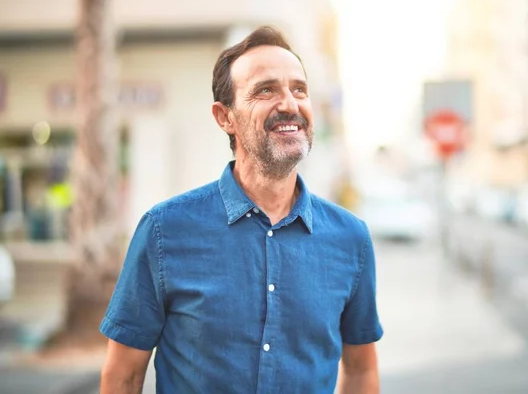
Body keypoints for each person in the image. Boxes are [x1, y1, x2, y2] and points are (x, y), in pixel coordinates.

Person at [99, 26, 383, 394]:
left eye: (299, 89)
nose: (290, 104)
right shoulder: (164, 231)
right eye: (266, 90)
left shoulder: (351, 238)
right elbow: (123, 376)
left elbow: (361, 372)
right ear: (224, 117)